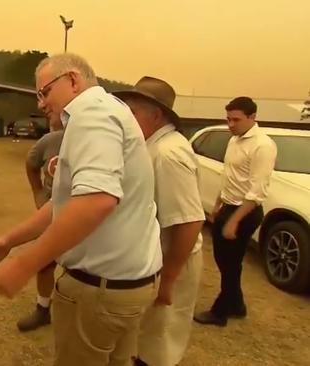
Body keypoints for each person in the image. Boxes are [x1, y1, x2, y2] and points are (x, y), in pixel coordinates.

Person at [0, 53, 162, 366]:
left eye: (44, 93)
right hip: (127, 285)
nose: (40, 104)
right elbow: (67, 203)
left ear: (73, 80)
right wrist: (10, 241)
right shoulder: (105, 113)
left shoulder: (91, 114)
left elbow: (96, 201)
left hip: (100, 290)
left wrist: (25, 265)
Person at [115, 77, 205, 366]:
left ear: (156, 114)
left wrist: (168, 279)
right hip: (158, 259)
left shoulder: (169, 153)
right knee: (145, 337)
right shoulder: (154, 145)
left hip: (171, 262)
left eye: (132, 112)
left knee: (158, 344)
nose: (125, 118)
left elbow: (189, 222)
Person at [194, 97, 277, 327]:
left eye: (236, 120)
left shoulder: (263, 145)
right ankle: (237, 304)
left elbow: (256, 191)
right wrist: (219, 203)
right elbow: (229, 176)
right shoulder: (234, 140)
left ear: (252, 117)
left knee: (230, 263)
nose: (231, 124)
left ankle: (220, 312)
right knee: (225, 261)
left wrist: (234, 222)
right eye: (228, 119)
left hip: (245, 212)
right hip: (228, 207)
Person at [16, 116, 64, 332]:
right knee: (45, 263)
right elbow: (31, 163)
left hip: (84, 216)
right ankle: (43, 309)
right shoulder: (50, 140)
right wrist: (38, 192)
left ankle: (77, 312)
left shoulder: (99, 141)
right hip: (50, 216)